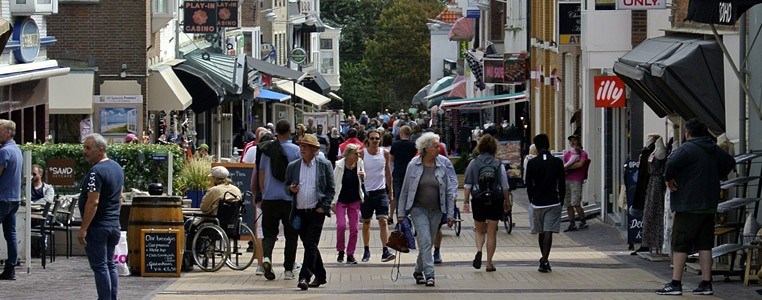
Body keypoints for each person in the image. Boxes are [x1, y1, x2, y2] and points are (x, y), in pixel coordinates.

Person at [656, 119, 734, 296]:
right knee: (705, 244)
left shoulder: (687, 148)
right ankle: (706, 283)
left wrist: (669, 180)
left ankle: (676, 283)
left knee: (680, 243)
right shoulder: (713, 148)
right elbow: (730, 162)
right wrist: (718, 176)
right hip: (709, 204)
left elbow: (670, 164)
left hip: (688, 203)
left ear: (688, 133)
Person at [397, 132, 455, 287]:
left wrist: (450, 214)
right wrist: (401, 213)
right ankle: (430, 274)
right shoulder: (413, 165)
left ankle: (418, 270)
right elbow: (405, 190)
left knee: (426, 243)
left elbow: (449, 191)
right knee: (426, 240)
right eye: (436, 146)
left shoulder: (442, 165)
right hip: (418, 209)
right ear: (427, 148)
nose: (439, 149)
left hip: (437, 210)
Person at [284, 134, 335, 290]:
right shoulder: (293, 166)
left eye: (306, 146)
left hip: (316, 211)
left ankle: (304, 277)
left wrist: (323, 207)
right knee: (309, 245)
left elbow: (330, 189)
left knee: (311, 243)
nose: (302, 149)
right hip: (299, 212)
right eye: (301, 146)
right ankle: (321, 275)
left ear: (315, 150)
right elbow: (286, 187)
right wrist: (290, 189)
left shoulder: (324, 164)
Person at [78, 133, 124, 299]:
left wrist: (83, 228)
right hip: (113, 224)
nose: (85, 151)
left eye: (88, 148)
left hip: (98, 226)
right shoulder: (117, 168)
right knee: (110, 264)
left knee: (100, 266)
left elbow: (93, 201)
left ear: (101, 150)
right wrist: (113, 218)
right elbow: (119, 197)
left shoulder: (95, 172)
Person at [462, 134, 512, 272]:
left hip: (478, 198)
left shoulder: (473, 163)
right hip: (495, 199)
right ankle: (489, 263)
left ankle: (479, 250)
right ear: (494, 148)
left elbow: (467, 185)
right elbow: (505, 185)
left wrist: (466, 201)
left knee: (479, 231)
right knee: (492, 232)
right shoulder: (498, 164)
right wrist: (507, 201)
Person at [259, 120, 301, 280]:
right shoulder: (296, 150)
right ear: (290, 132)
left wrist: (263, 193)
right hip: (289, 198)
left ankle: (267, 257)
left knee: (269, 232)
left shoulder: (267, 149)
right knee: (291, 235)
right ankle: (289, 269)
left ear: (275, 131)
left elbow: (261, 172)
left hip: (270, 198)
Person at [525, 134, 565, 273]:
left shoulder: (532, 163)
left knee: (541, 231)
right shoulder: (557, 162)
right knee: (549, 232)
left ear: (536, 146)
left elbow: (528, 183)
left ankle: (543, 258)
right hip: (553, 201)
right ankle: (545, 259)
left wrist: (531, 199)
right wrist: (562, 199)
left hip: (537, 202)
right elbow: (562, 183)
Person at [359, 129, 395, 263]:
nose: (375, 141)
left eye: (377, 138)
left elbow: (387, 173)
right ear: (368, 140)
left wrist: (390, 192)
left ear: (380, 140)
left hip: (381, 192)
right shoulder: (362, 154)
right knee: (366, 222)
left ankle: (385, 250)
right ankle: (366, 249)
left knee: (383, 221)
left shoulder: (385, 154)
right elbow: (356, 168)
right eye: (372, 138)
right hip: (367, 193)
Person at [331, 144, 364, 265]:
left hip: (354, 199)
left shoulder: (360, 163)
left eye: (358, 153)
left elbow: (362, 179)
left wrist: (363, 176)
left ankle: (351, 253)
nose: (358, 155)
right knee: (341, 225)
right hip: (341, 199)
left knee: (354, 228)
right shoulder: (339, 165)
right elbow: (334, 183)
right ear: (348, 154)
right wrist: (333, 202)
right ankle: (340, 250)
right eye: (356, 153)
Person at [0, 120, 21, 280]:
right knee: (11, 233)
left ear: (7, 132)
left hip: (2, 198)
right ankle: (11, 267)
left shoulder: (4, 151)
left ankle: (10, 268)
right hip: (14, 198)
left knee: (11, 233)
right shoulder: (17, 150)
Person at [389, 126, 417, 221]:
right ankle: (409, 217)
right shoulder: (414, 145)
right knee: (410, 195)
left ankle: (399, 217)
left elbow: (391, 159)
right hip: (410, 173)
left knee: (398, 195)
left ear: (401, 133)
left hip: (398, 172)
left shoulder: (395, 144)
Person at [563, 135, 589, 232]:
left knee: (576, 202)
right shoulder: (567, 154)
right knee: (568, 203)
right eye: (571, 141)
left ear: (578, 141)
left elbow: (580, 164)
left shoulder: (583, 153)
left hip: (577, 180)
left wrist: (568, 167)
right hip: (567, 180)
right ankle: (572, 223)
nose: (573, 142)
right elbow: (564, 166)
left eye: (574, 140)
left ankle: (583, 221)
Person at [523, 144, 538, 234]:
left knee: (531, 205)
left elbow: (526, 171)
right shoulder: (540, 159)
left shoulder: (527, 159)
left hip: (530, 184)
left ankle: (533, 227)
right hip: (539, 184)